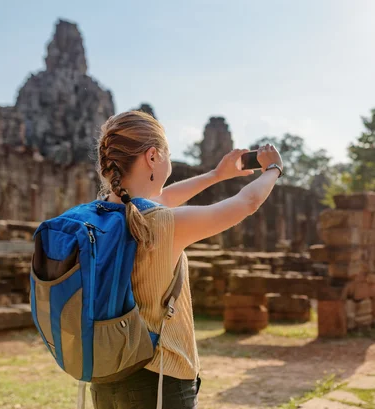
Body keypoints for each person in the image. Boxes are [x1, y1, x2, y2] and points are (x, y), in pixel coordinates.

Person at [89, 110, 283, 409]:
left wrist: (216, 175)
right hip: (159, 378)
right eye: (166, 154)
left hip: (106, 374)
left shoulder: (97, 216)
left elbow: (161, 200)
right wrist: (273, 170)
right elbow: (247, 202)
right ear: (153, 157)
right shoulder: (160, 225)